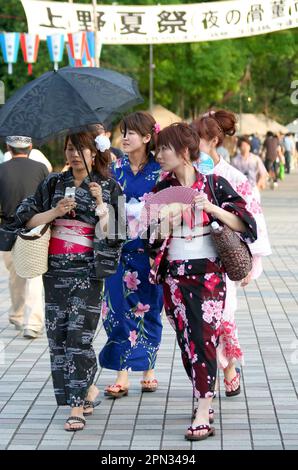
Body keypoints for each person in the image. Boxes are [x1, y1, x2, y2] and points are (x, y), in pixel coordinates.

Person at [146, 122, 257, 441]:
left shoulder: (215, 184)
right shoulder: (160, 189)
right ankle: (202, 394)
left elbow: (245, 223)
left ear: (183, 152)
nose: (158, 154)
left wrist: (210, 208)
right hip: (175, 278)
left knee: (204, 337)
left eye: (163, 148)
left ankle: (203, 408)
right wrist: (165, 220)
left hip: (208, 274)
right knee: (187, 342)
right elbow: (149, 238)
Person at [14, 131, 124, 431]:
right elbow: (25, 218)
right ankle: (84, 390)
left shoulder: (109, 186)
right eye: (69, 149)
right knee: (58, 337)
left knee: (79, 336)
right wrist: (54, 211)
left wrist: (101, 202)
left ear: (93, 153)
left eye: (81, 149)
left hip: (87, 271)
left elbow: (116, 232)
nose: (74, 154)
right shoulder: (53, 183)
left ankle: (76, 407)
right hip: (56, 270)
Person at [192, 110, 271, 398]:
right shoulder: (187, 173)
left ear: (214, 140)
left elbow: (253, 220)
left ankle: (226, 368)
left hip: (223, 257)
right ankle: (212, 373)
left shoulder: (234, 178)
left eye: (198, 138)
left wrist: (251, 261)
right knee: (197, 320)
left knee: (222, 315)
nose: (192, 143)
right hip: (192, 256)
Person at [99, 111, 163, 397]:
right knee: (117, 311)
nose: (124, 137)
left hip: (149, 252)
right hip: (118, 250)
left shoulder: (160, 171)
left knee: (149, 309)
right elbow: (106, 211)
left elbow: (169, 211)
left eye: (131, 133)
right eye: (123, 132)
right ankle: (122, 372)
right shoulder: (114, 170)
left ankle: (148, 367)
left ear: (147, 138)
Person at [0, 136, 49, 339]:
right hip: (35, 227)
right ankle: (32, 323)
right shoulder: (41, 168)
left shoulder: (1, 169)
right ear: (30, 147)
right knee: (34, 275)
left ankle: (17, 314)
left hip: (7, 227)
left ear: (7, 147)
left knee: (15, 274)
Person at [232, 136, 268, 201]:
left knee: (255, 209)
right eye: (243, 145)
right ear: (239, 147)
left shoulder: (255, 158)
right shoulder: (235, 160)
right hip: (239, 190)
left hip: (253, 188)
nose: (246, 147)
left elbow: (263, 173)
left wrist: (258, 185)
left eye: (247, 145)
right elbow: (231, 176)